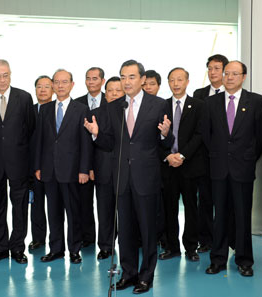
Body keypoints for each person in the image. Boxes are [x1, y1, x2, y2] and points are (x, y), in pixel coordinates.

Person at [84, 60, 173, 294]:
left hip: (146, 177)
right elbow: (110, 143)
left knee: (147, 230)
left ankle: (146, 276)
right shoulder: (116, 107)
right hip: (121, 177)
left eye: (131, 77)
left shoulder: (159, 104)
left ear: (142, 79)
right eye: (123, 77)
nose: (127, 81)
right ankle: (129, 273)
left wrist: (165, 134)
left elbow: (165, 143)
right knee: (125, 231)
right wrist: (96, 134)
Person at [203, 61, 262, 277]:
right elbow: (206, 135)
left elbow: (261, 136)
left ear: (244, 76)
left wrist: (249, 156)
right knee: (219, 215)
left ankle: (244, 260)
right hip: (219, 168)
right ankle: (218, 259)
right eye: (226, 73)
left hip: (243, 167)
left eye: (234, 74)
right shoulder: (210, 102)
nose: (229, 77)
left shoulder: (257, 101)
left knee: (242, 216)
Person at [0, 59, 35, 264]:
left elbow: (30, 130)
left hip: (19, 162)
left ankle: (18, 248)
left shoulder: (24, 98)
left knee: (19, 207)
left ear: (10, 74)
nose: (2, 79)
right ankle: (0, 248)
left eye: (5, 75)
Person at [35, 69, 91, 264]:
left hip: (72, 171)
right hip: (49, 170)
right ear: (52, 85)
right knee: (53, 212)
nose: (60, 85)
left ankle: (74, 250)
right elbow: (39, 140)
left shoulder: (81, 109)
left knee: (73, 212)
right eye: (56, 82)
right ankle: (56, 249)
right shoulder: (46, 109)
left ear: (72, 84)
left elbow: (85, 143)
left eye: (64, 82)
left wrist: (84, 169)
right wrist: (38, 166)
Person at [158, 68, 204, 262]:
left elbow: (199, 135)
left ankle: (191, 247)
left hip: (189, 165)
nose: (176, 84)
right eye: (172, 80)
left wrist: (182, 155)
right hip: (168, 166)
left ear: (187, 81)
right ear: (168, 83)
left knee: (192, 208)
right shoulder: (161, 106)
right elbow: (156, 136)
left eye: (180, 80)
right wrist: (169, 156)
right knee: (169, 208)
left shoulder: (199, 105)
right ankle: (172, 247)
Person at [193, 54, 229, 253]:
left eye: (217, 68)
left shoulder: (235, 94)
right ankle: (205, 239)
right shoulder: (199, 94)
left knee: (226, 203)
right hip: (204, 158)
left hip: (227, 159)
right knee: (205, 200)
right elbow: (196, 127)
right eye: (210, 68)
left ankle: (226, 238)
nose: (213, 72)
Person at [92, 76, 123, 260]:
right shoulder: (95, 113)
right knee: (104, 210)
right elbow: (88, 145)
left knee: (127, 210)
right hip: (102, 168)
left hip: (126, 169)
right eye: (110, 90)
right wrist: (89, 168)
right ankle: (105, 246)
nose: (113, 93)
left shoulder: (130, 112)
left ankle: (129, 242)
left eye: (118, 90)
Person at [75, 67, 106, 247]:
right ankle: (87, 238)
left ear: (102, 81)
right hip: (84, 165)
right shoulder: (78, 104)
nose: (91, 82)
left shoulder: (111, 102)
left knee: (105, 206)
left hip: (105, 162)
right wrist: (86, 166)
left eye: (95, 78)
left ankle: (106, 241)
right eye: (88, 78)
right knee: (84, 204)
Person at [28, 75, 54, 251]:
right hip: (32, 166)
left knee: (55, 206)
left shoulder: (58, 110)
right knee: (35, 204)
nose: (43, 90)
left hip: (54, 166)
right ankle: (38, 238)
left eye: (47, 86)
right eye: (39, 86)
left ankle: (57, 240)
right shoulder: (28, 111)